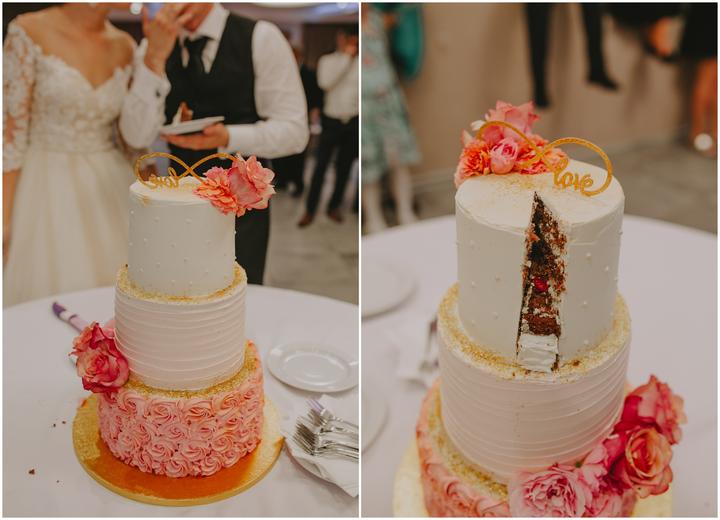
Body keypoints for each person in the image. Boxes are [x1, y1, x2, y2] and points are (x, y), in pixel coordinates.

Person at [120, 3, 308, 284]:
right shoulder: (152, 45)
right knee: (174, 290)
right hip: (175, 203)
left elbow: (295, 132)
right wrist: (154, 59)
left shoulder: (260, 37)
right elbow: (136, 136)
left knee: (233, 297)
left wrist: (228, 138)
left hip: (240, 207)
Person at [3, 3, 142, 306]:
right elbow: (11, 134)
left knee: (120, 300)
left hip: (109, 186)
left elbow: (131, 141)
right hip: (43, 186)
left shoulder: (126, 46)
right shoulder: (28, 31)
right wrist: (5, 218)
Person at [361, 5, 420, 233]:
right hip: (365, 107)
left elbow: (405, 12)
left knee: (399, 160)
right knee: (369, 167)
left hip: (388, 101)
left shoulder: (378, 19)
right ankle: (373, 218)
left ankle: (405, 211)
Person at [297, 27, 359, 228]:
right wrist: (346, 59)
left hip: (353, 121)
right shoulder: (328, 61)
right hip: (331, 121)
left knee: (344, 167)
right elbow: (325, 83)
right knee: (320, 167)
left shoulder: (361, 63)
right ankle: (310, 210)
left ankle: (334, 206)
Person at [273, 45, 322, 198]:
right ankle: (281, 179)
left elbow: (316, 97)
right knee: (280, 150)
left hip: (301, 118)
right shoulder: (281, 73)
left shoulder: (309, 74)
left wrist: (314, 115)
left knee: (298, 152)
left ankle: (298, 182)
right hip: (281, 117)